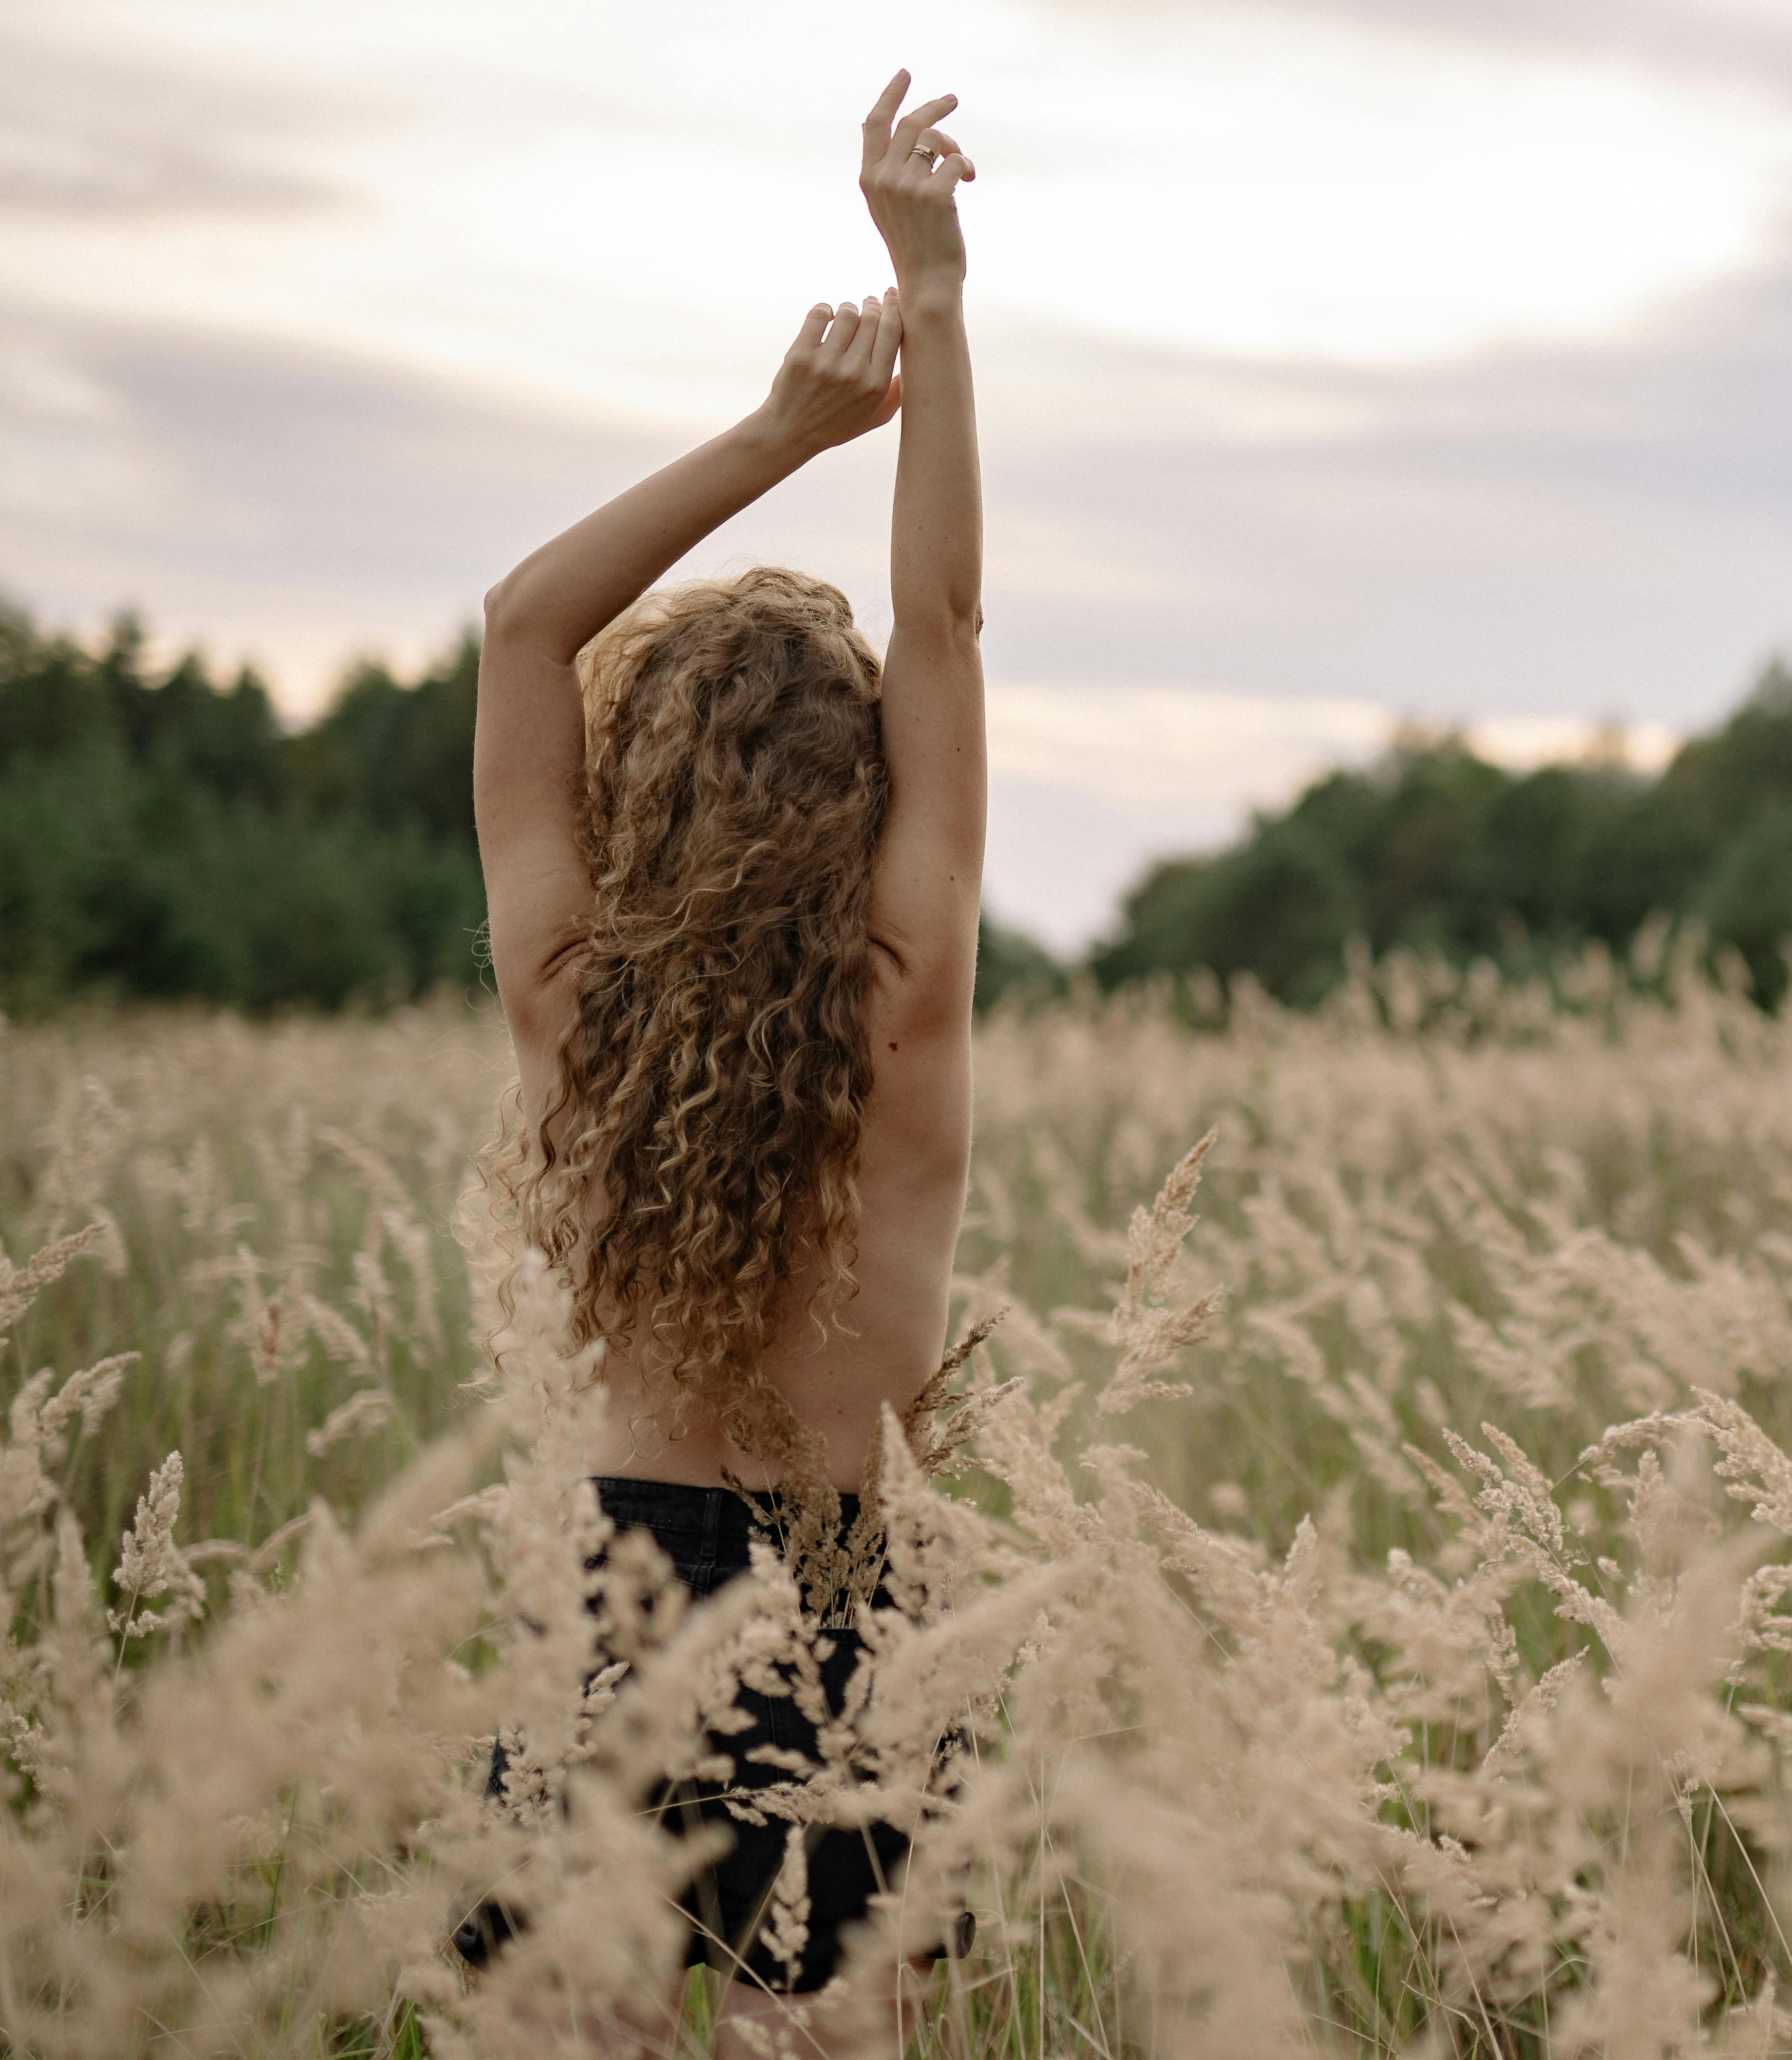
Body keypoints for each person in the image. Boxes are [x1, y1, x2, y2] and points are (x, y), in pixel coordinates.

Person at [459, 71, 983, 2057]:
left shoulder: (573, 1008)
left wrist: (784, 429)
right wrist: (928, 296)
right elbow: (938, 615)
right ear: (862, 796)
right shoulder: (902, 994)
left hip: (611, 1590)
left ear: (641, 785)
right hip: (858, 1604)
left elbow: (523, 628)